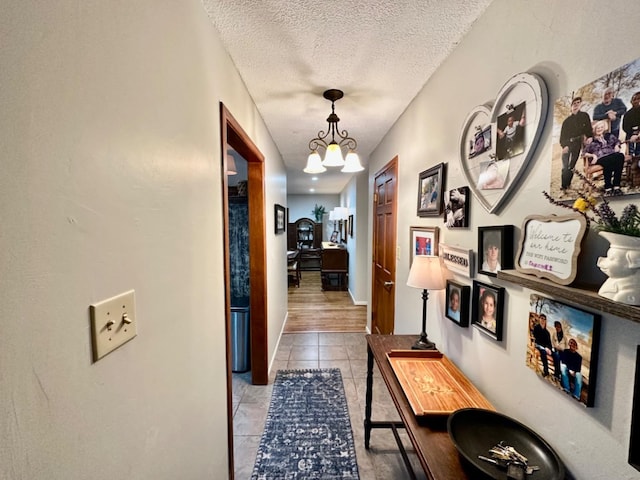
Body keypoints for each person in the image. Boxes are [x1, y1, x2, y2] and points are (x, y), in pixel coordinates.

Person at [583, 120, 626, 196]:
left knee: (620, 156)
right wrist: (593, 156)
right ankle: (608, 187)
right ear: (594, 130)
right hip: (600, 157)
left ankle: (616, 186)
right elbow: (584, 153)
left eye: (601, 127)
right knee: (608, 161)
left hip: (611, 154)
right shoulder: (591, 140)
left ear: (604, 128)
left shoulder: (608, 135)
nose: (600, 129)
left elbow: (617, 141)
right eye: (597, 128)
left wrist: (617, 145)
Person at [559, 96, 593, 192]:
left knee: (572, 165)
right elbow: (562, 137)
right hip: (567, 143)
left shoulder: (584, 116)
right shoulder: (566, 121)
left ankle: (568, 184)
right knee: (565, 166)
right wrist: (564, 146)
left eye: (578, 103)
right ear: (571, 106)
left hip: (578, 143)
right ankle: (563, 185)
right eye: (574, 103)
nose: (576, 105)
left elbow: (588, 129)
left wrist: (589, 136)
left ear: (580, 105)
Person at [622, 91, 640, 158]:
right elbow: (625, 127)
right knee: (630, 145)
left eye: (639, 99)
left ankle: (638, 157)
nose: (637, 102)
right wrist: (633, 134)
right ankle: (630, 156)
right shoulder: (628, 114)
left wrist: (638, 133)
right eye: (635, 99)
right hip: (630, 133)